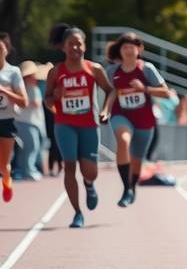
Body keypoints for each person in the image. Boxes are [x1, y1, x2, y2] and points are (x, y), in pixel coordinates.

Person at [44, 24, 114, 228]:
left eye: (79, 44)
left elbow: (111, 91)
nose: (75, 48)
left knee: (90, 171)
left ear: (85, 46)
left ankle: (89, 185)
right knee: (69, 167)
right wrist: (54, 103)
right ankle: (77, 213)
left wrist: (105, 110)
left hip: (89, 125)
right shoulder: (56, 72)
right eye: (71, 44)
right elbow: (47, 98)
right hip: (65, 124)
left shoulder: (94, 69)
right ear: (63, 48)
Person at [102, 32, 171, 207]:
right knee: (123, 141)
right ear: (120, 50)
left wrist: (144, 89)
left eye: (131, 47)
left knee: (137, 159)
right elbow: (112, 93)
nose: (127, 50)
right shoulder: (112, 71)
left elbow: (166, 93)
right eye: (124, 47)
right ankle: (126, 189)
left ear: (138, 49)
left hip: (144, 119)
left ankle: (132, 187)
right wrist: (105, 110)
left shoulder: (147, 69)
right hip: (121, 114)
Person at [0, 32, 28, 212]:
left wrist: (5, 91)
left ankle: (7, 179)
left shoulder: (13, 72)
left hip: (8, 121)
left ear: (7, 50)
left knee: (3, 165)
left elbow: (24, 102)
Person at [13, 61, 48, 181]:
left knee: (30, 147)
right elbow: (35, 103)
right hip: (26, 122)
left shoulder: (31, 88)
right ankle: (28, 170)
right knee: (31, 146)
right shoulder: (28, 89)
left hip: (30, 122)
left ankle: (26, 169)